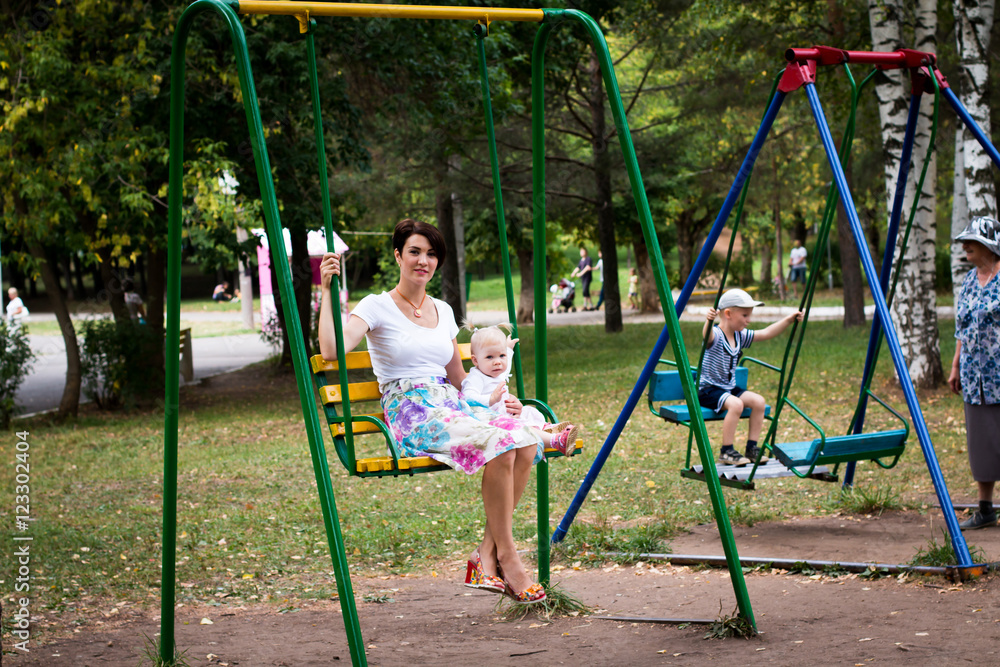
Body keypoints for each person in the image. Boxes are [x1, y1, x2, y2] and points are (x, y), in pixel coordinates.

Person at [318, 219, 548, 603]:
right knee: (503, 444)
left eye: (431, 254)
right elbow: (331, 350)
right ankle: (507, 558)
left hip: (449, 403)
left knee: (523, 440)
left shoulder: (443, 309)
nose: (423, 261)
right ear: (398, 255)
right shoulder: (375, 305)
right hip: (412, 410)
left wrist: (494, 399)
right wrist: (326, 290)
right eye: (414, 252)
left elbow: (459, 377)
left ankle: (486, 554)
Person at [700, 288, 803, 466]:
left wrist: (788, 320)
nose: (749, 320)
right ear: (728, 314)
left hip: (727, 388)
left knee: (759, 402)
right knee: (736, 404)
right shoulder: (716, 335)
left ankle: (752, 448)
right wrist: (709, 321)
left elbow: (766, 333)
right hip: (708, 390)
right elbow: (706, 335)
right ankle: (726, 451)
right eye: (745, 315)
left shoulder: (740, 336)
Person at [947, 215, 1000, 530]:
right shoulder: (969, 280)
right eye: (965, 241)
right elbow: (962, 327)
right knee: (981, 442)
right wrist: (955, 365)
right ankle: (985, 509)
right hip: (974, 374)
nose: (965, 245)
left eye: (972, 241)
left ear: (990, 245)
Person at [461, 324, 578, 453]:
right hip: (493, 420)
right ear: (475, 360)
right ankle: (556, 440)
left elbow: (507, 365)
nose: (498, 362)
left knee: (530, 412)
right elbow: (467, 397)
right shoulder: (476, 377)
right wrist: (491, 398)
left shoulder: (497, 372)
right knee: (521, 427)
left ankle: (547, 429)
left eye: (501, 355)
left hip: (508, 414)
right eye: (489, 357)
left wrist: (508, 348)